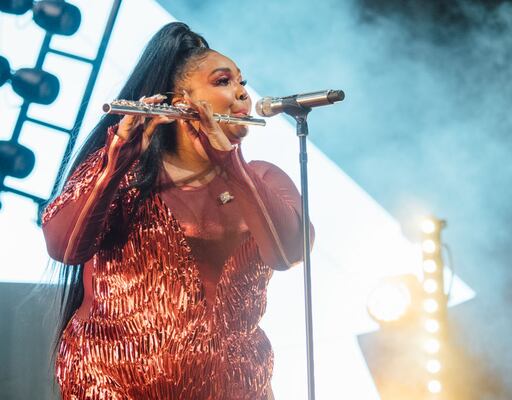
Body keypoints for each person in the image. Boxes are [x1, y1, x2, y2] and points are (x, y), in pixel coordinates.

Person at [42, 22, 314, 400]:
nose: (242, 94)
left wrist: (230, 165)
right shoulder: (123, 177)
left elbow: (290, 252)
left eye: (242, 83)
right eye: (223, 82)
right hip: (111, 383)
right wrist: (114, 165)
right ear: (181, 101)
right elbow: (65, 248)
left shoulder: (262, 177)